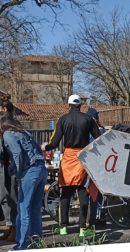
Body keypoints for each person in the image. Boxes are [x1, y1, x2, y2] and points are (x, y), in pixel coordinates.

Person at [42, 94, 101, 237]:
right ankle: (83, 228)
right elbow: (98, 137)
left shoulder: (62, 119)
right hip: (82, 157)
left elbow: (54, 142)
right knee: (83, 192)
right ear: (80, 105)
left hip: (67, 158)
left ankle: (63, 227)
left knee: (65, 193)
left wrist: (46, 147)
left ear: (68, 105)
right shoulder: (88, 119)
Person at [0, 117, 47, 250]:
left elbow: (17, 153)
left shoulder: (8, 134)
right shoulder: (25, 132)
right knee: (35, 209)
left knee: (23, 208)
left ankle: (22, 244)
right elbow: (38, 149)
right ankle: (36, 242)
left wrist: (17, 172)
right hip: (41, 169)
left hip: (29, 171)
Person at [0, 96, 18, 242]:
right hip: (3, 164)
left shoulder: (12, 126)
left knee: (12, 196)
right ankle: (9, 226)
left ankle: (14, 227)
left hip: (11, 166)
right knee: (4, 197)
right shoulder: (1, 126)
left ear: (5, 109)